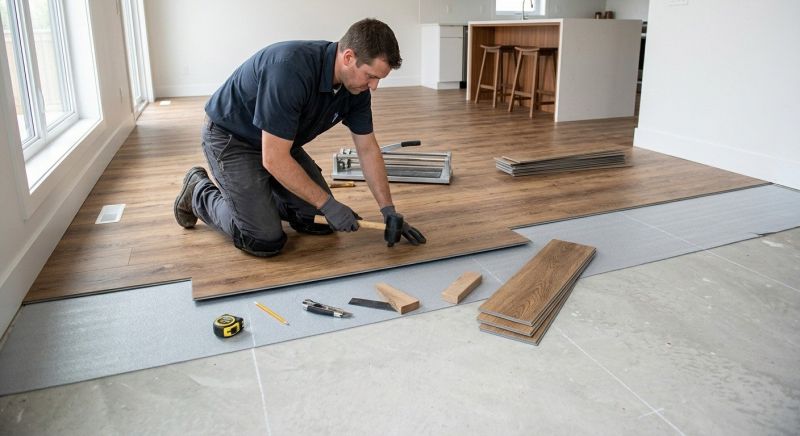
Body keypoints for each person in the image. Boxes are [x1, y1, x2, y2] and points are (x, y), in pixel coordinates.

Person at [173, 18, 425, 257]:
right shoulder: (290, 69)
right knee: (262, 238)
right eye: (371, 76)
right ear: (349, 57)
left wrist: (388, 210)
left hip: (281, 142)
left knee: (320, 222)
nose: (374, 86)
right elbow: (273, 158)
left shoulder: (356, 90)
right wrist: (327, 203)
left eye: (378, 79)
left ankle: (257, 198)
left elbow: (368, 149)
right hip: (232, 139)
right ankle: (197, 191)